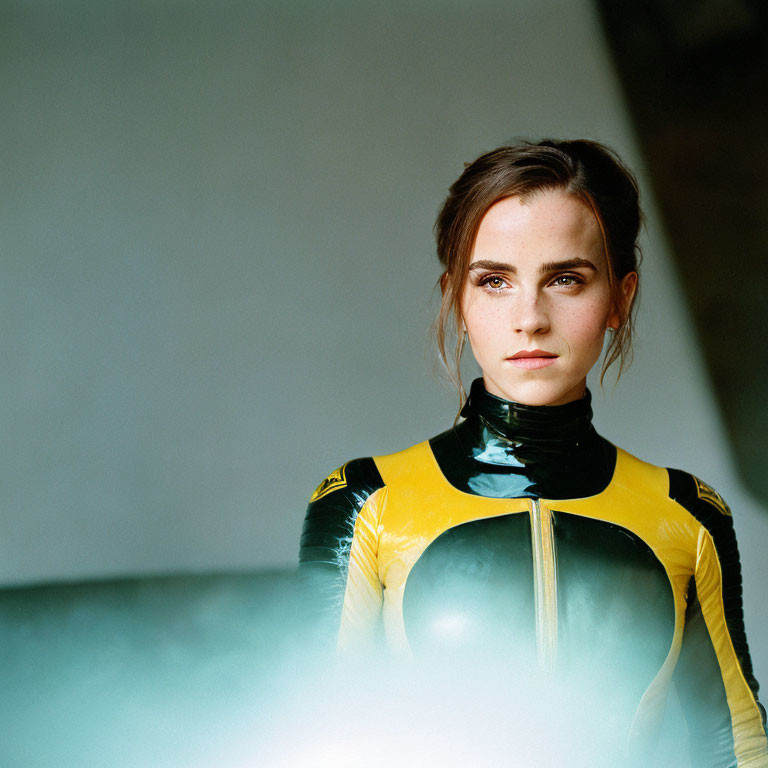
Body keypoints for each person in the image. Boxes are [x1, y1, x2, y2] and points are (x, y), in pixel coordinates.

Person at [298, 139, 768, 767]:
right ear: (457, 300)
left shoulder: (687, 514)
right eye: (494, 281)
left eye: (566, 279)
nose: (530, 318)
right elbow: (322, 736)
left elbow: (733, 744)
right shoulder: (366, 503)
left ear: (620, 299)